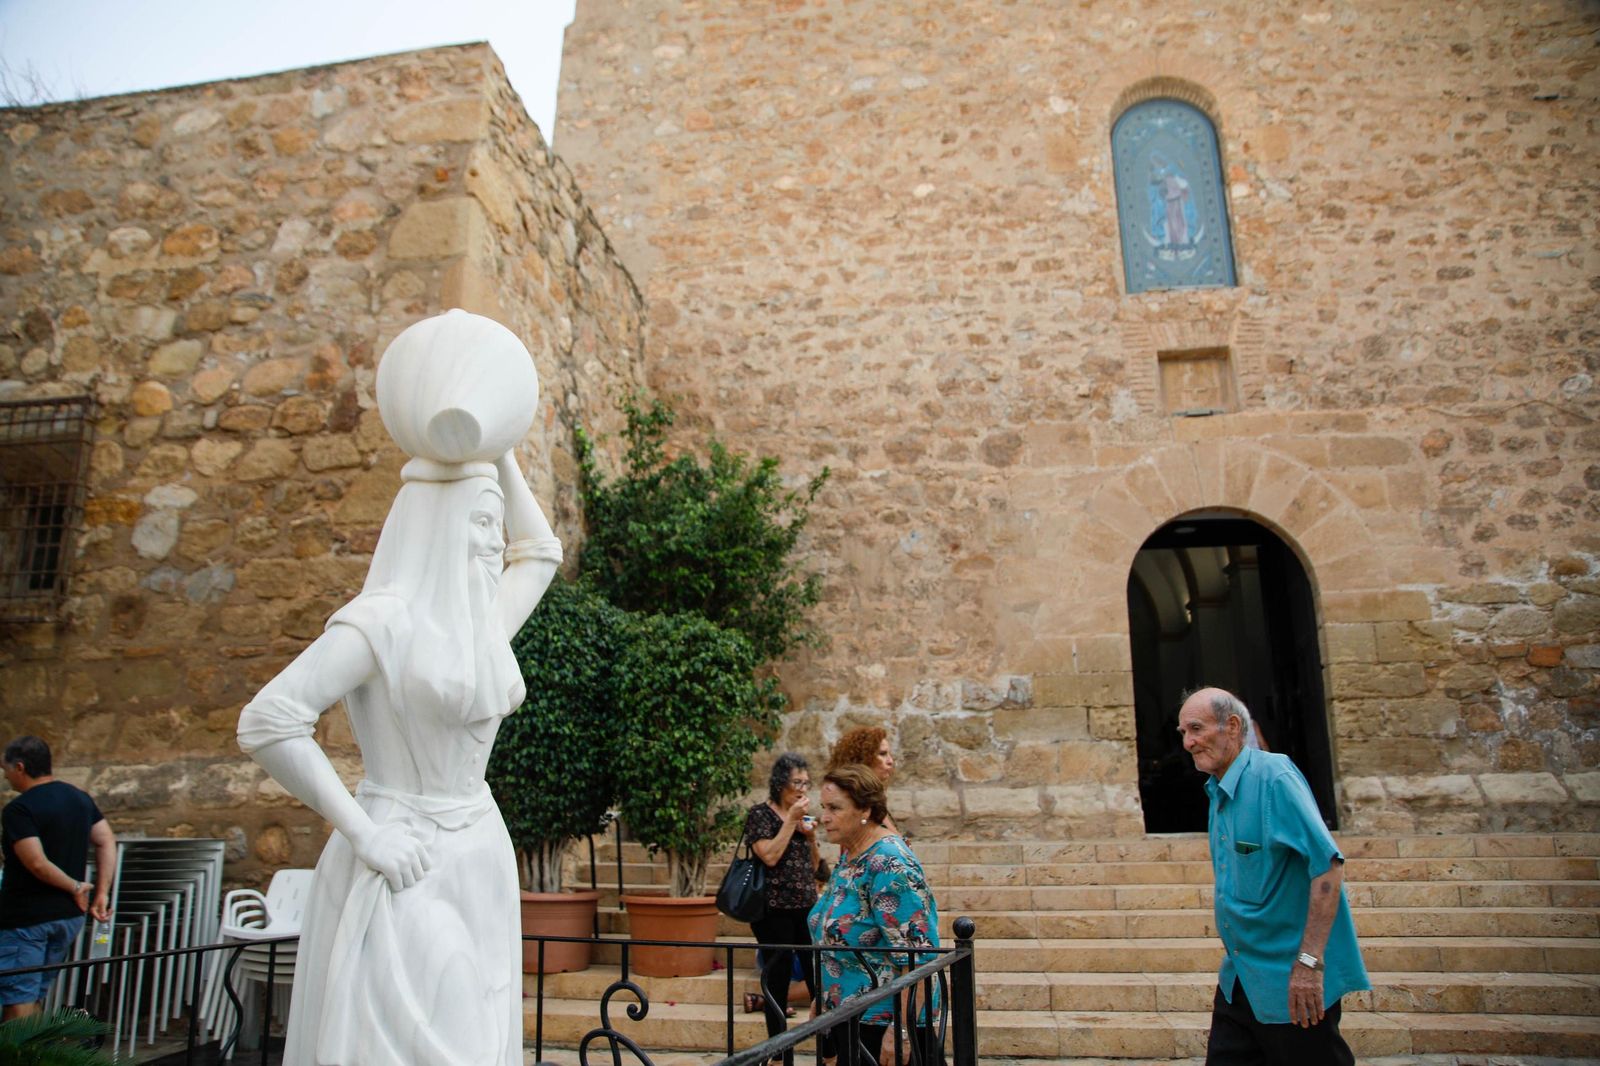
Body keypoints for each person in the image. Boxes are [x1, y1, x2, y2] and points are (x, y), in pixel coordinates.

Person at [237, 449, 562, 1066]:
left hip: (479, 851)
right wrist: (364, 834)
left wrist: (501, 450)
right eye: (479, 523)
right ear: (435, 521)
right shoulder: (382, 621)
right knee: (418, 1038)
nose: (495, 542)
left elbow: (541, 550)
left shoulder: (482, 627)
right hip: (403, 852)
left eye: (496, 526)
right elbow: (269, 721)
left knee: (481, 1026)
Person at [1177, 687, 1368, 1066]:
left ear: (1232, 726)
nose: (1188, 742)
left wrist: (1309, 964)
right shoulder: (1217, 791)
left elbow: (1327, 865)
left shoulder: (1274, 776)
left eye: (1196, 729)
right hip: (1240, 981)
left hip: (1292, 987)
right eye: (1182, 732)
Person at [808, 764, 942, 1066]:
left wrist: (902, 1032)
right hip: (851, 1017)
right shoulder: (850, 853)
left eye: (834, 808)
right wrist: (825, 994)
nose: (824, 817)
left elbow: (918, 956)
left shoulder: (889, 863)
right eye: (823, 807)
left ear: (865, 809)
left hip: (882, 1025)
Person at [0, 735, 116, 1021]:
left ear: (20, 767)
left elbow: (37, 863)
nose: (5, 776)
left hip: (27, 919)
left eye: (5, 769)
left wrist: (77, 886)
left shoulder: (19, 809)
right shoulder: (79, 798)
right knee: (35, 992)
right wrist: (102, 893)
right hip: (68, 917)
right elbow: (106, 841)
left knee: (19, 997)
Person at [743, 753, 823, 1045]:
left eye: (806, 782)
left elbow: (814, 868)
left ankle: (828, 1051)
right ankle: (777, 1053)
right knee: (777, 981)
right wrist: (790, 820)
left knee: (817, 979)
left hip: (806, 907)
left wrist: (811, 838)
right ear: (780, 783)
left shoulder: (801, 820)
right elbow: (770, 855)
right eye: (796, 782)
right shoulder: (760, 815)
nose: (802, 788)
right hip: (773, 911)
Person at [825, 726, 898, 834]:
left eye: (889, 754)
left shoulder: (875, 802)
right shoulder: (856, 807)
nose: (890, 761)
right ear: (864, 759)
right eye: (882, 754)